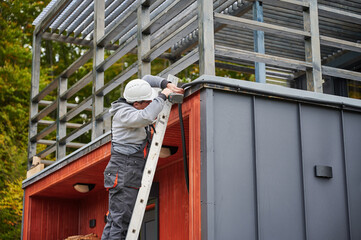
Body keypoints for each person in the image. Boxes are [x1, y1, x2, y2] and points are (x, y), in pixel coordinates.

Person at [101, 75, 184, 240]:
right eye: (148, 102)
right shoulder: (123, 113)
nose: (151, 105)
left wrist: (166, 84)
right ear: (136, 104)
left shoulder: (134, 96)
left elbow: (146, 78)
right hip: (124, 170)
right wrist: (162, 96)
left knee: (115, 220)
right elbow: (145, 117)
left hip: (126, 170)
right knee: (120, 222)